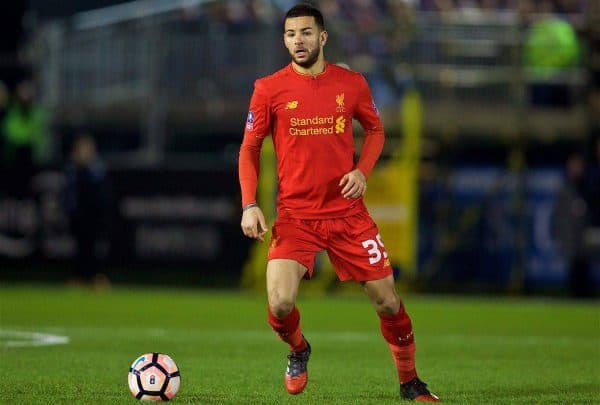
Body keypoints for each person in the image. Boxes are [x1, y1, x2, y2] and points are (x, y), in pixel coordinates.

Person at [238, 4, 439, 402]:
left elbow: (377, 130)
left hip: (348, 216)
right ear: (284, 40)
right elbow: (249, 147)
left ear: (323, 37)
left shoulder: (351, 83)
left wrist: (362, 171)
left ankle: (410, 382)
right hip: (296, 216)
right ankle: (299, 349)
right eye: (291, 34)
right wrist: (249, 204)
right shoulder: (268, 88)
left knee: (387, 300)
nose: (299, 40)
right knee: (279, 304)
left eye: (307, 33)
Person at [64, 134, 112, 288]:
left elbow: (103, 196)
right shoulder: (73, 171)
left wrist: (102, 216)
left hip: (94, 217)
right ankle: (78, 277)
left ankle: (95, 277)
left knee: (94, 249)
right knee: (79, 248)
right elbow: (69, 196)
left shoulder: (97, 171)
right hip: (79, 217)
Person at [551, 151, 594, 298]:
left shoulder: (588, 187)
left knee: (584, 274)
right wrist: (557, 236)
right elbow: (557, 216)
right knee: (573, 275)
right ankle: (573, 298)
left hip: (585, 242)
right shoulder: (564, 189)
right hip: (570, 241)